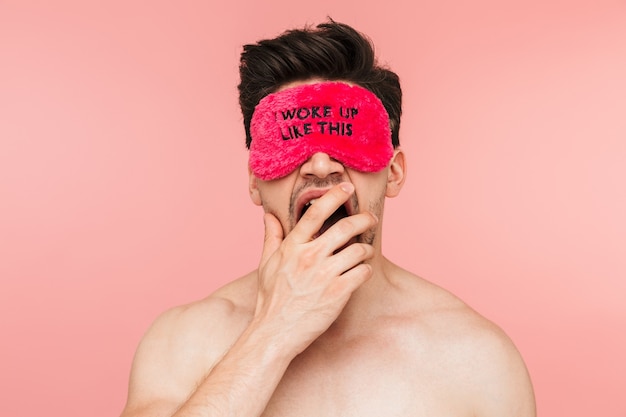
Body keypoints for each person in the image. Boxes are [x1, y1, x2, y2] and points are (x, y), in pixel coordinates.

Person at [120, 20, 536, 417]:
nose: (321, 165)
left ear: (394, 173)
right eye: (293, 140)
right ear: (254, 181)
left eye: (345, 137)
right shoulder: (183, 342)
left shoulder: (475, 357)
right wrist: (272, 332)